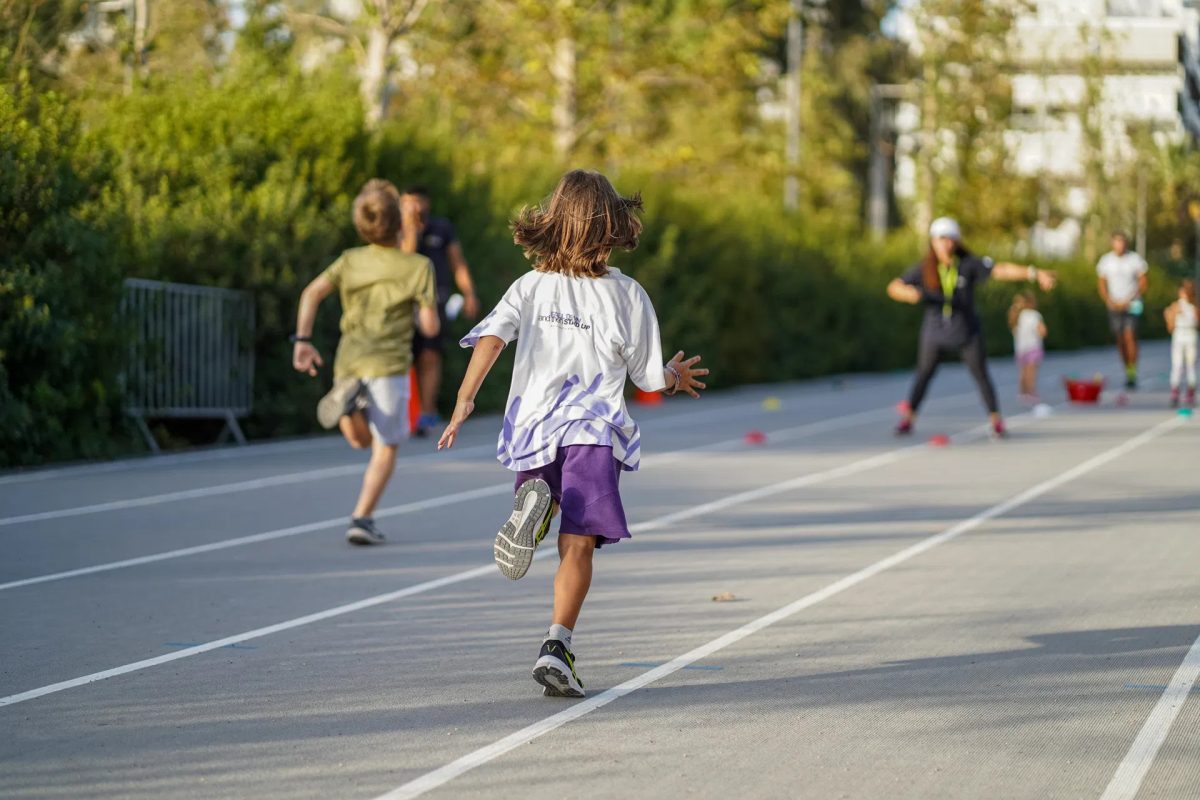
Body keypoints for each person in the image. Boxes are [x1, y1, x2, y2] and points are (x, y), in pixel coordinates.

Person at [437, 169, 707, 698]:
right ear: (613, 226)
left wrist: (464, 400)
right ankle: (557, 646)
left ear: (552, 222)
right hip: (592, 430)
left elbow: (492, 338)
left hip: (534, 426)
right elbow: (648, 378)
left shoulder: (530, 286)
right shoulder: (627, 295)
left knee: (541, 502)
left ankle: (532, 510)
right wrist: (675, 376)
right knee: (579, 545)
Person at [292, 179, 440, 545]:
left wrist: (302, 341)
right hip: (389, 366)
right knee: (386, 446)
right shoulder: (418, 267)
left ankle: (351, 407)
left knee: (359, 442)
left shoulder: (349, 260)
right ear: (400, 224)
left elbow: (311, 293)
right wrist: (428, 312)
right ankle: (362, 517)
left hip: (350, 362)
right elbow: (430, 325)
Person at [887, 217, 1056, 438]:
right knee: (923, 375)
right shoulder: (925, 268)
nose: (946, 244)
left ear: (956, 241)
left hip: (966, 331)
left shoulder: (968, 264)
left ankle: (995, 419)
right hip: (935, 332)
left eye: (950, 239)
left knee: (981, 374)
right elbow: (894, 286)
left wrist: (1035, 273)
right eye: (941, 239)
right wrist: (908, 294)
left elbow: (1001, 270)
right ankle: (908, 419)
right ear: (933, 242)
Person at [399, 186, 480, 436]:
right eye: (409, 203)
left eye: (419, 202)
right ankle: (404, 413)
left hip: (435, 301)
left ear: (427, 203)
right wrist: (412, 231)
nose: (415, 208)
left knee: (430, 355)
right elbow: (405, 260)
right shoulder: (396, 229)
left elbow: (458, 262)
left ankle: (426, 411)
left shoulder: (442, 228)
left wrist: (469, 294)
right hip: (404, 304)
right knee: (403, 358)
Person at [1096, 231, 1149, 389]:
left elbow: (1143, 281)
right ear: (1112, 244)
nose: (1120, 245)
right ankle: (1127, 368)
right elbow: (1101, 284)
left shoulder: (1134, 259)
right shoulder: (1106, 261)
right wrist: (1109, 300)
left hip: (1132, 304)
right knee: (1120, 339)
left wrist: (1131, 298)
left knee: (1130, 336)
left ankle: (1132, 372)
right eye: (1117, 242)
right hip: (1114, 305)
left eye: (1122, 242)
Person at [1008, 290, 1047, 404]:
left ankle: (1022, 393)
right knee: (1031, 372)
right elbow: (1042, 330)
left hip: (1020, 348)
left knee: (1023, 372)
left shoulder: (1016, 315)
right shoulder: (1034, 315)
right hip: (1033, 346)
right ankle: (1031, 392)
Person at [1164, 278, 1197, 408]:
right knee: (1178, 365)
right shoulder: (1176, 306)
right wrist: (1170, 316)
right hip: (1179, 335)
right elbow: (1170, 327)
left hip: (1190, 335)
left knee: (1190, 365)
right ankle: (1175, 391)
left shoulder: (1194, 307)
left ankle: (1190, 392)